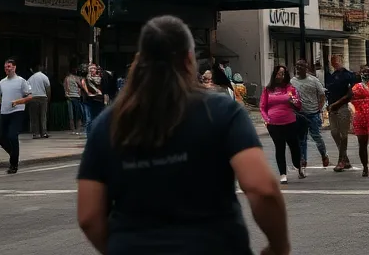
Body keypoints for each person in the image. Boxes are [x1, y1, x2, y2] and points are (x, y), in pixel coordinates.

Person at [76, 16, 290, 255]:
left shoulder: (108, 122)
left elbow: (89, 216)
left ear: (140, 61)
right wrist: (279, 247)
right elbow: (262, 188)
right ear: (190, 60)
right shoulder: (220, 111)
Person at [259, 65, 303, 184]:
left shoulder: (290, 88)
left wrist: (294, 101)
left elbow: (298, 105)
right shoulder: (268, 90)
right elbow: (262, 107)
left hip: (290, 122)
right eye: (279, 73)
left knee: (294, 146)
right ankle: (283, 173)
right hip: (274, 124)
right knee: (279, 147)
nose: (281, 76)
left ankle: (298, 165)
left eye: (283, 74)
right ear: (275, 74)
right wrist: (266, 119)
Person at [0, 58, 33, 174]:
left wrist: (18, 102)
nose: (7, 69)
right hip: (4, 112)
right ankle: (13, 155)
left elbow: (30, 96)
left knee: (12, 136)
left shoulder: (21, 81)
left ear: (14, 67)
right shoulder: (2, 82)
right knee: (1, 139)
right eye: (5, 67)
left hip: (17, 112)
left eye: (9, 67)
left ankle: (13, 165)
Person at [289, 60, 329, 172]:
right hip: (300, 114)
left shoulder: (313, 80)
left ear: (306, 68)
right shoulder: (293, 81)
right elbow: (290, 96)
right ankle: (303, 160)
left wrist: (320, 108)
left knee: (316, 136)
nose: (299, 68)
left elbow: (322, 94)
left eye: (301, 66)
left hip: (313, 113)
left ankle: (324, 154)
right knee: (302, 139)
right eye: (297, 66)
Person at [324, 53, 357, 172]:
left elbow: (350, 94)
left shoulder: (349, 75)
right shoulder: (331, 76)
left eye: (337, 60)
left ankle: (341, 160)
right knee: (334, 133)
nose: (335, 62)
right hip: (332, 108)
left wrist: (336, 104)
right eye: (333, 60)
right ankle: (345, 158)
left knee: (343, 134)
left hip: (343, 107)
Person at [26, 66, 51, 139]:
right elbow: (48, 88)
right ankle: (44, 133)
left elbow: (27, 91)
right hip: (43, 98)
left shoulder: (30, 79)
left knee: (34, 116)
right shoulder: (44, 77)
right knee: (43, 116)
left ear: (32, 70)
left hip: (33, 98)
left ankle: (36, 133)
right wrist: (48, 98)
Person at [80, 63, 104, 135]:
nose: (92, 70)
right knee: (89, 119)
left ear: (96, 70)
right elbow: (86, 91)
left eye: (93, 68)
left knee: (98, 118)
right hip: (88, 101)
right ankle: (89, 135)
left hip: (98, 101)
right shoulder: (85, 79)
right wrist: (91, 93)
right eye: (90, 69)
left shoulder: (101, 79)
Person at [64, 67, 84, 135]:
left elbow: (65, 87)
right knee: (77, 113)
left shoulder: (66, 78)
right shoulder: (77, 78)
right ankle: (78, 129)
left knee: (71, 114)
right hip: (76, 96)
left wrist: (66, 94)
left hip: (69, 97)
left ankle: (73, 130)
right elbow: (81, 86)